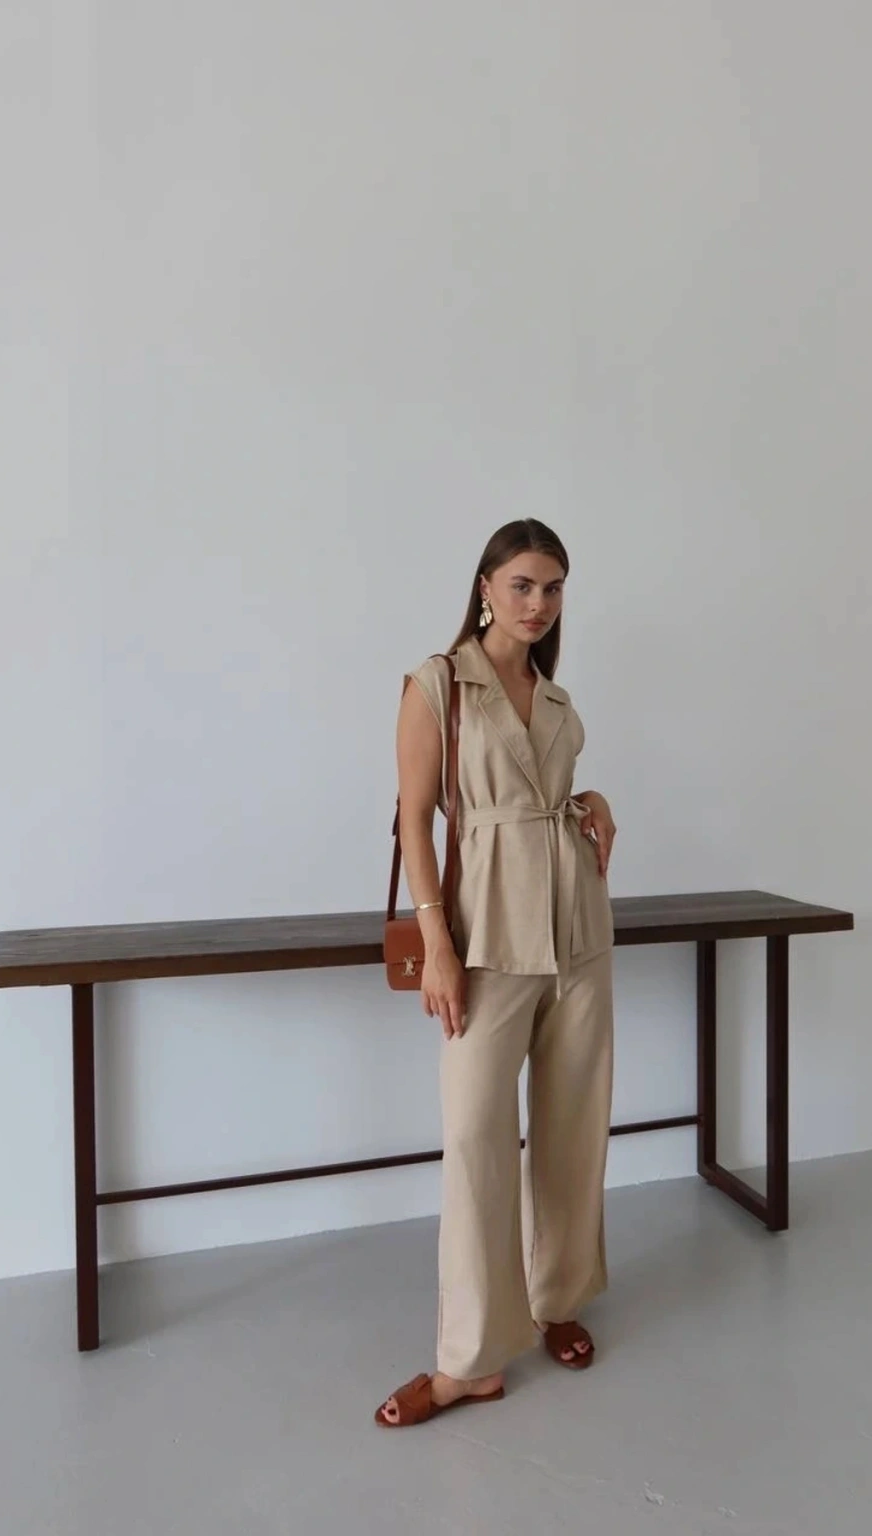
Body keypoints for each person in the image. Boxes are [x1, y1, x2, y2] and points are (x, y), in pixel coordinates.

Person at [375, 519, 617, 1428]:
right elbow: (414, 819)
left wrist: (593, 799)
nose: (538, 603)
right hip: (485, 940)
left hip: (579, 932)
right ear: (484, 587)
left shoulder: (554, 697)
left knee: (573, 1128)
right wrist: (436, 941)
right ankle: (468, 1361)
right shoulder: (438, 684)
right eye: (521, 584)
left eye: (552, 588)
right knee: (477, 1138)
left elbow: (552, 796)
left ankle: (558, 1299)